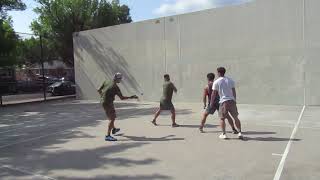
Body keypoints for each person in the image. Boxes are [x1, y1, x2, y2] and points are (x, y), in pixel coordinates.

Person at [98, 72, 138, 141]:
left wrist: (102, 96)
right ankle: (108, 136)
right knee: (112, 119)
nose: (120, 80)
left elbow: (99, 90)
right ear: (118, 79)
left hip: (103, 102)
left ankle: (114, 129)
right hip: (108, 103)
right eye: (120, 79)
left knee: (111, 117)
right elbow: (122, 98)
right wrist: (131, 97)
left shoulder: (106, 81)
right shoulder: (115, 87)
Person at [210, 67, 243, 139]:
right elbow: (234, 91)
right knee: (236, 117)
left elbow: (213, 94)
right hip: (232, 101)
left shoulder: (216, 81)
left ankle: (224, 134)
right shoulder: (230, 80)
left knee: (222, 118)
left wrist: (211, 103)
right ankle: (240, 132)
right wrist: (234, 100)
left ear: (218, 73)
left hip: (223, 102)